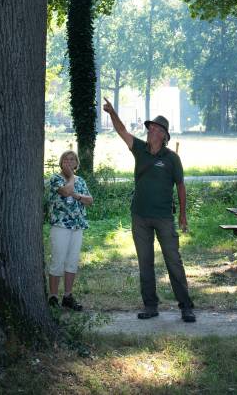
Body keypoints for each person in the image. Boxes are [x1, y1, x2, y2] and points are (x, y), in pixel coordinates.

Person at [102, 98, 196, 323]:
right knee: (145, 263)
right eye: (150, 127)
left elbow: (181, 186)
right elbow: (122, 131)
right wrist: (112, 113)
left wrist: (183, 214)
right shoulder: (140, 149)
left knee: (173, 261)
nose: (150, 130)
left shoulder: (172, 159)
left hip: (164, 217)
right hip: (140, 216)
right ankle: (150, 306)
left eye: (155, 128)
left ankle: (186, 306)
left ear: (163, 135)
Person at [46, 150, 94, 311]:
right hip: (60, 226)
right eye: (65, 159)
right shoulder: (55, 178)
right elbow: (66, 191)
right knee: (57, 261)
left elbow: (90, 200)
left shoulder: (81, 181)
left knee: (72, 262)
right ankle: (53, 297)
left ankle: (67, 296)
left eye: (72, 159)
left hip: (77, 226)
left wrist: (77, 196)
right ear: (61, 163)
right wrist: (71, 177)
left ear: (76, 163)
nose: (68, 162)